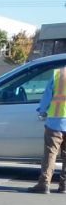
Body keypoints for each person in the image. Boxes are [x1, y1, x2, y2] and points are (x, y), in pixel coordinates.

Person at [29, 64, 66, 194]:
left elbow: (46, 97)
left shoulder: (58, 74)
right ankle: (64, 186)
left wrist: (42, 111)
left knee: (50, 154)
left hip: (55, 122)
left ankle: (44, 184)